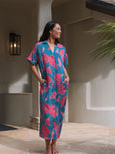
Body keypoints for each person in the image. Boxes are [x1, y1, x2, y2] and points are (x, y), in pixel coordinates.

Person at [27, 21, 69, 154]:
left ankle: (54, 145)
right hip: (47, 86)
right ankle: (47, 146)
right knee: (47, 117)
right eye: (58, 28)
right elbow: (32, 64)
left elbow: (63, 65)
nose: (60, 31)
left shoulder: (62, 48)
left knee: (58, 116)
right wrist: (40, 79)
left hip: (61, 87)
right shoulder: (39, 47)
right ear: (50, 30)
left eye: (60, 29)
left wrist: (67, 77)